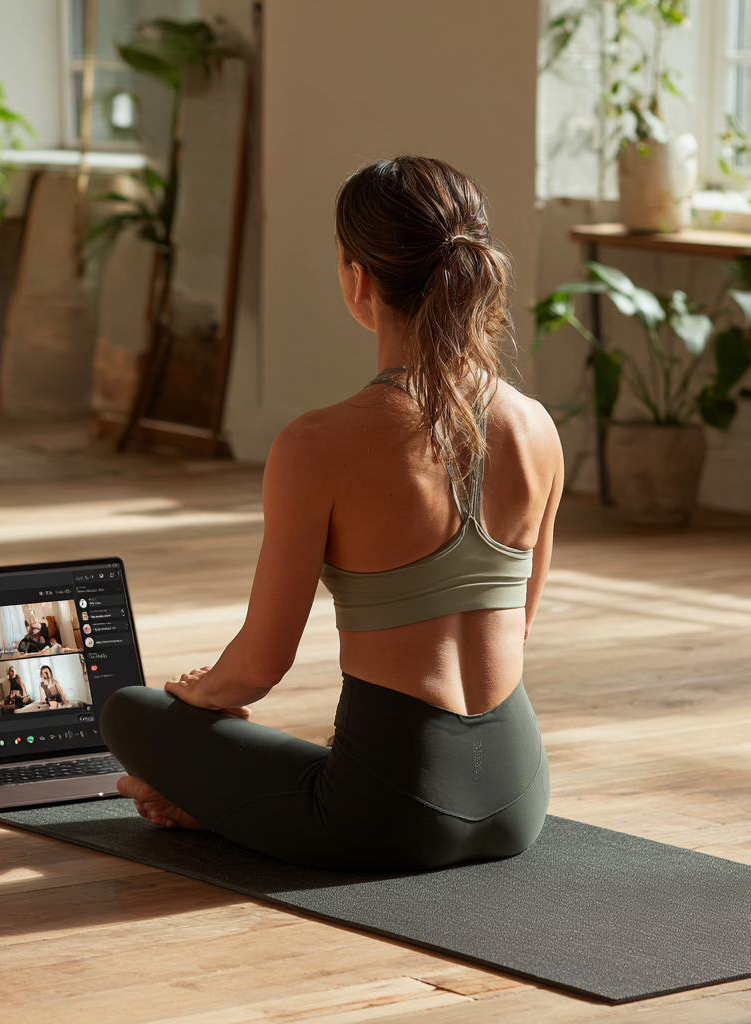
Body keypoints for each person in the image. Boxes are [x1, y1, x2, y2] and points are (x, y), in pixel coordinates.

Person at [101, 156, 564, 872]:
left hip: (388, 816)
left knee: (130, 713)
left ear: (359, 279)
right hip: (518, 798)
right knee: (287, 760)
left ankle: (206, 804)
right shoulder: (536, 428)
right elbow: (518, 627)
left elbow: (258, 667)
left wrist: (196, 697)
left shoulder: (319, 443)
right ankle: (222, 801)